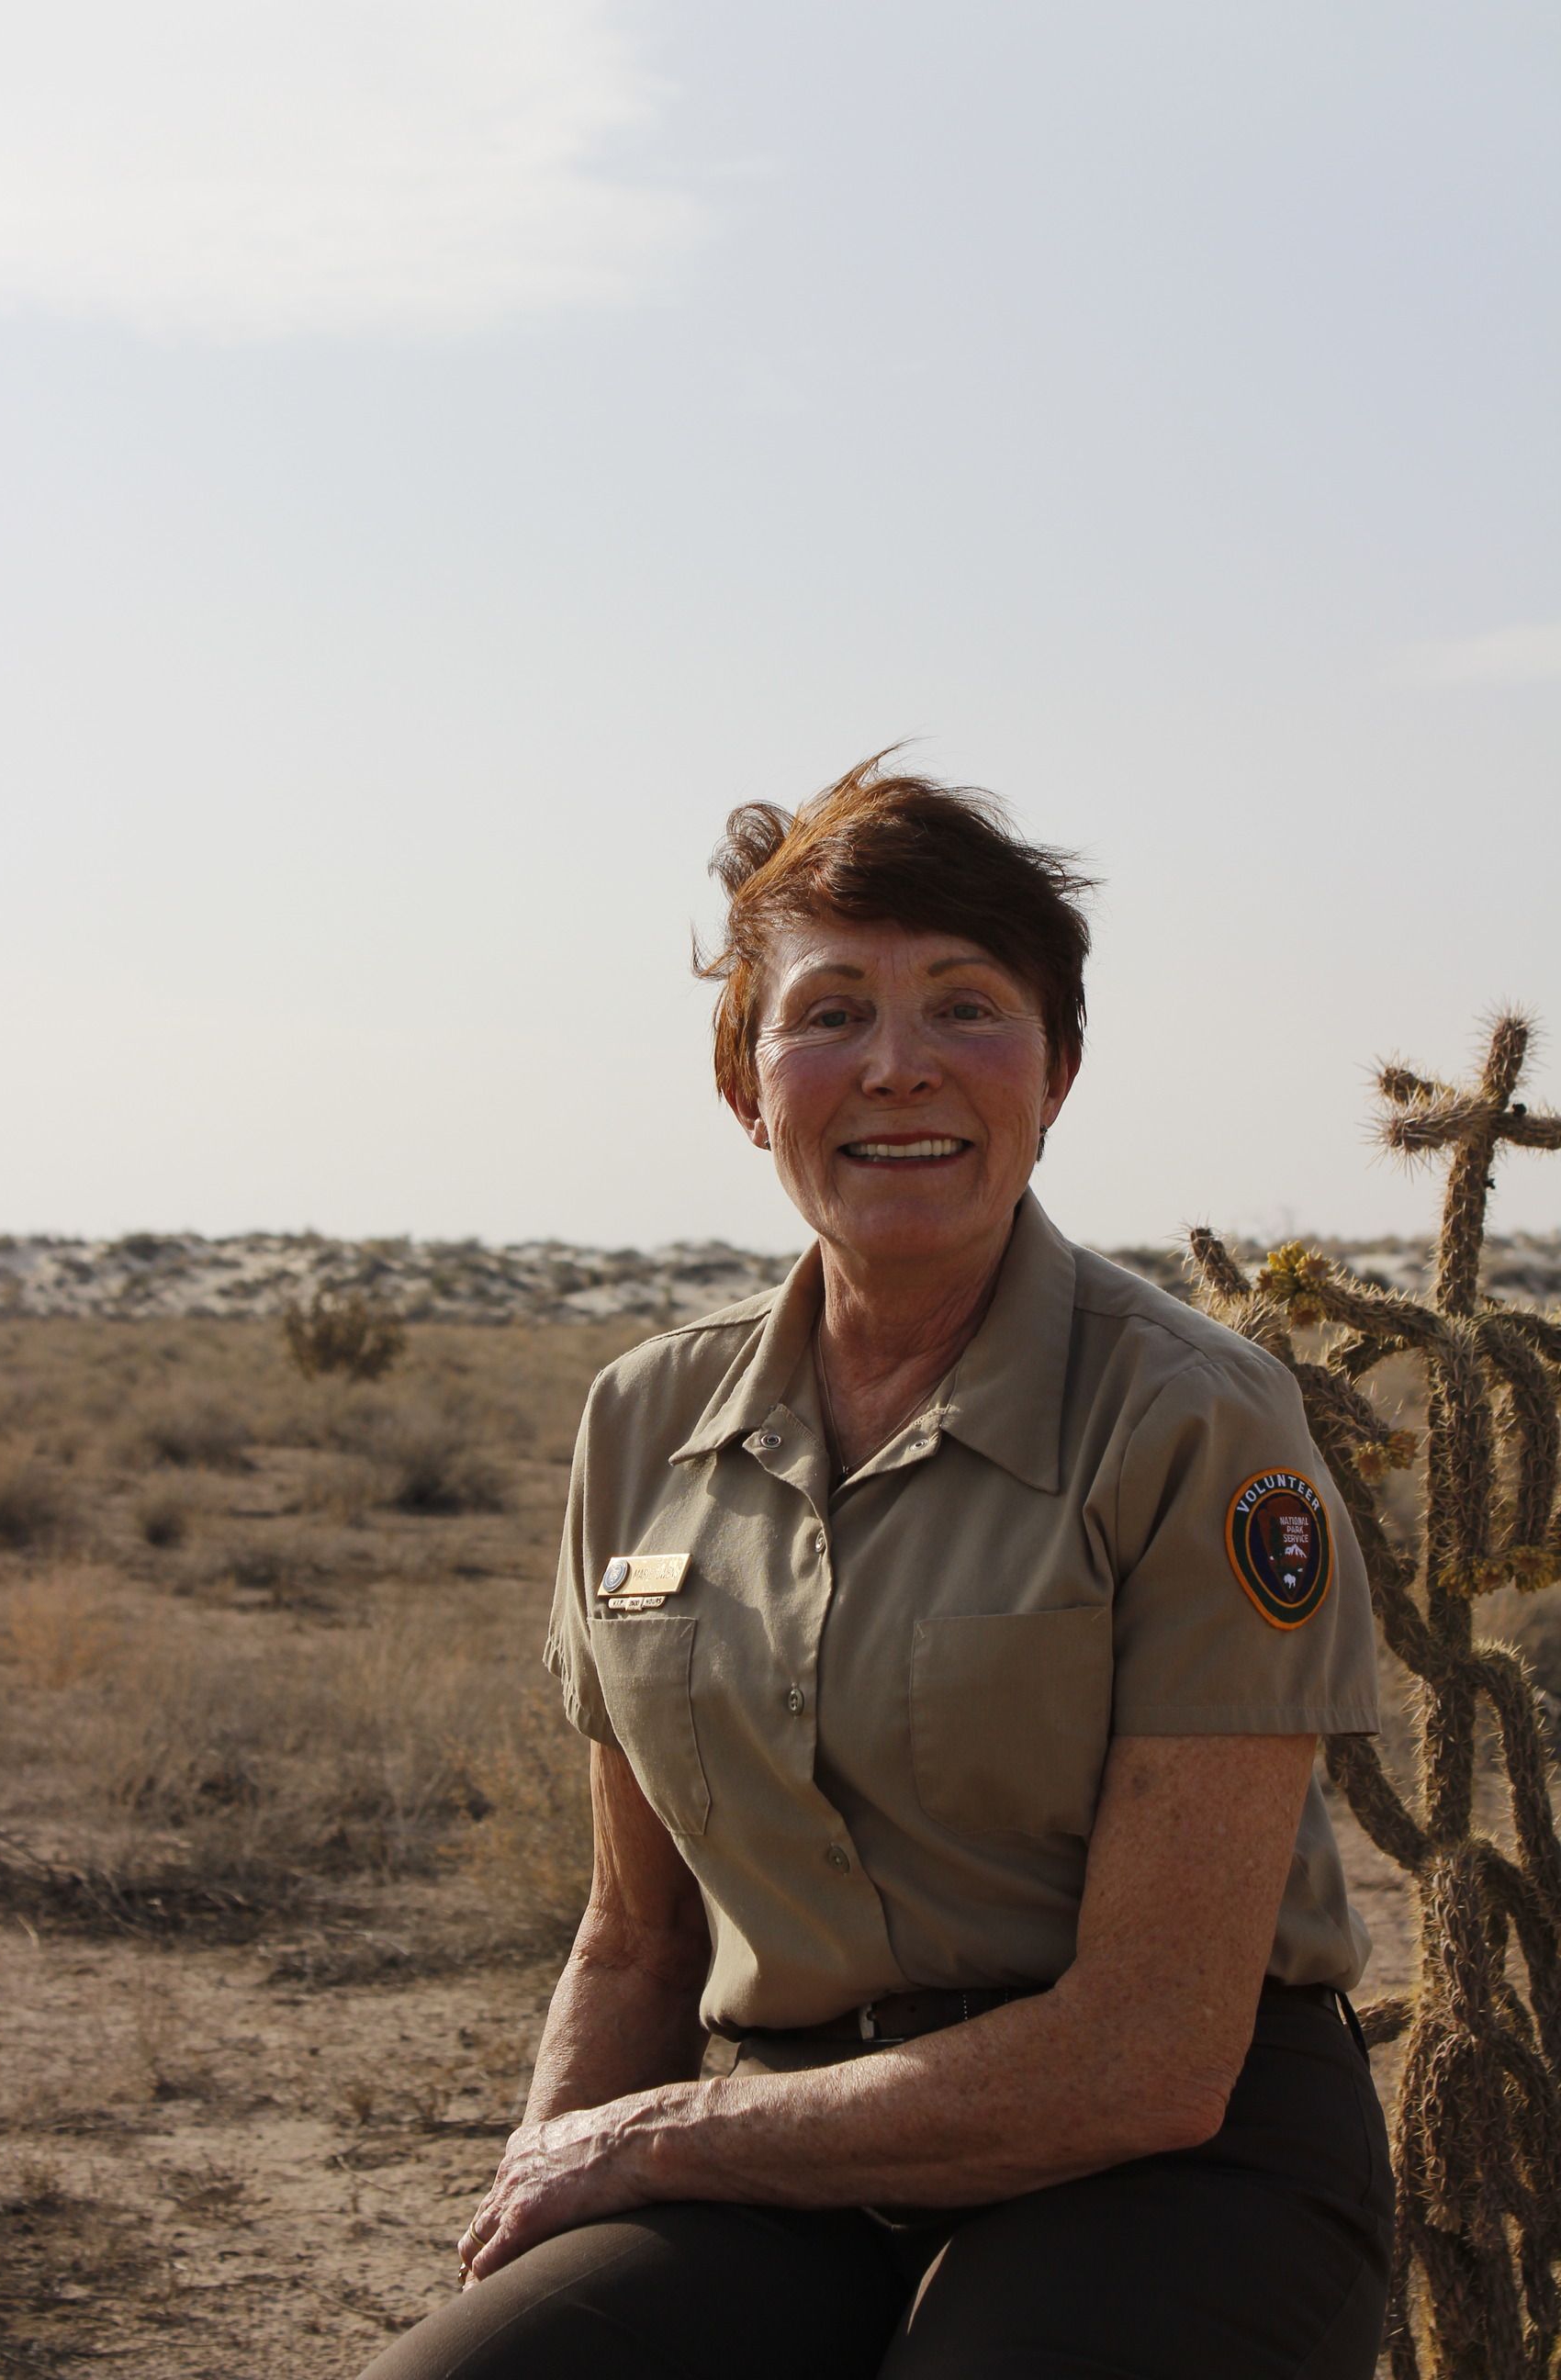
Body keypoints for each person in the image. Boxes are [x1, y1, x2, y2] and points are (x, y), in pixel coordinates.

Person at [363, 757, 1391, 2380]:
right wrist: (539, 2193)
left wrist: (650, 2148)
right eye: (831, 1012)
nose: (899, 1068)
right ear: (749, 1086)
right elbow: (639, 1940)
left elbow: (1147, 2053)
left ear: (1055, 1075)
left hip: (1169, 2157)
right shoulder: (642, 1421)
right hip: (773, 2145)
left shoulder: (1189, 1417)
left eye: (967, 1008)